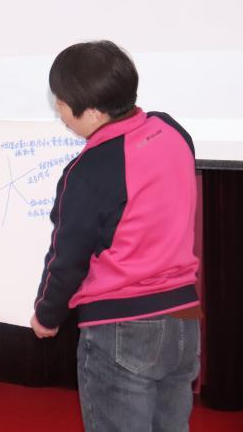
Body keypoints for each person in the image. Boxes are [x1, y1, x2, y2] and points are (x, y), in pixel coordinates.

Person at [29, 41, 201, 431]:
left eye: (61, 104)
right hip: (183, 319)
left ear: (92, 111)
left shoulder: (91, 168)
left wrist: (47, 315)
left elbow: (68, 258)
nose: (59, 113)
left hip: (122, 324)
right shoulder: (172, 130)